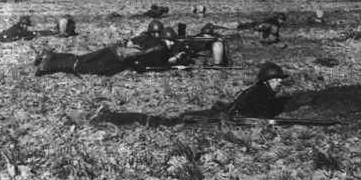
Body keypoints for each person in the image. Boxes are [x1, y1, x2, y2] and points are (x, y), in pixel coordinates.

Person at [89, 62, 302, 126]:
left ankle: (110, 116)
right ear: (270, 80)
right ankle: (109, 117)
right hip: (218, 119)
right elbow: (261, 119)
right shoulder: (260, 93)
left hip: (220, 115)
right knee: (162, 122)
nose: (280, 84)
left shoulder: (261, 91)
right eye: (279, 81)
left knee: (168, 120)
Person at [34, 27, 192, 77]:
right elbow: (154, 63)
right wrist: (173, 63)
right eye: (172, 41)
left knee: (82, 58)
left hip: (114, 49)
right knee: (84, 67)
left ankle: (49, 55)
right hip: (118, 58)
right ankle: (48, 67)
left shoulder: (152, 40)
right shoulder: (161, 48)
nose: (172, 44)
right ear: (167, 40)